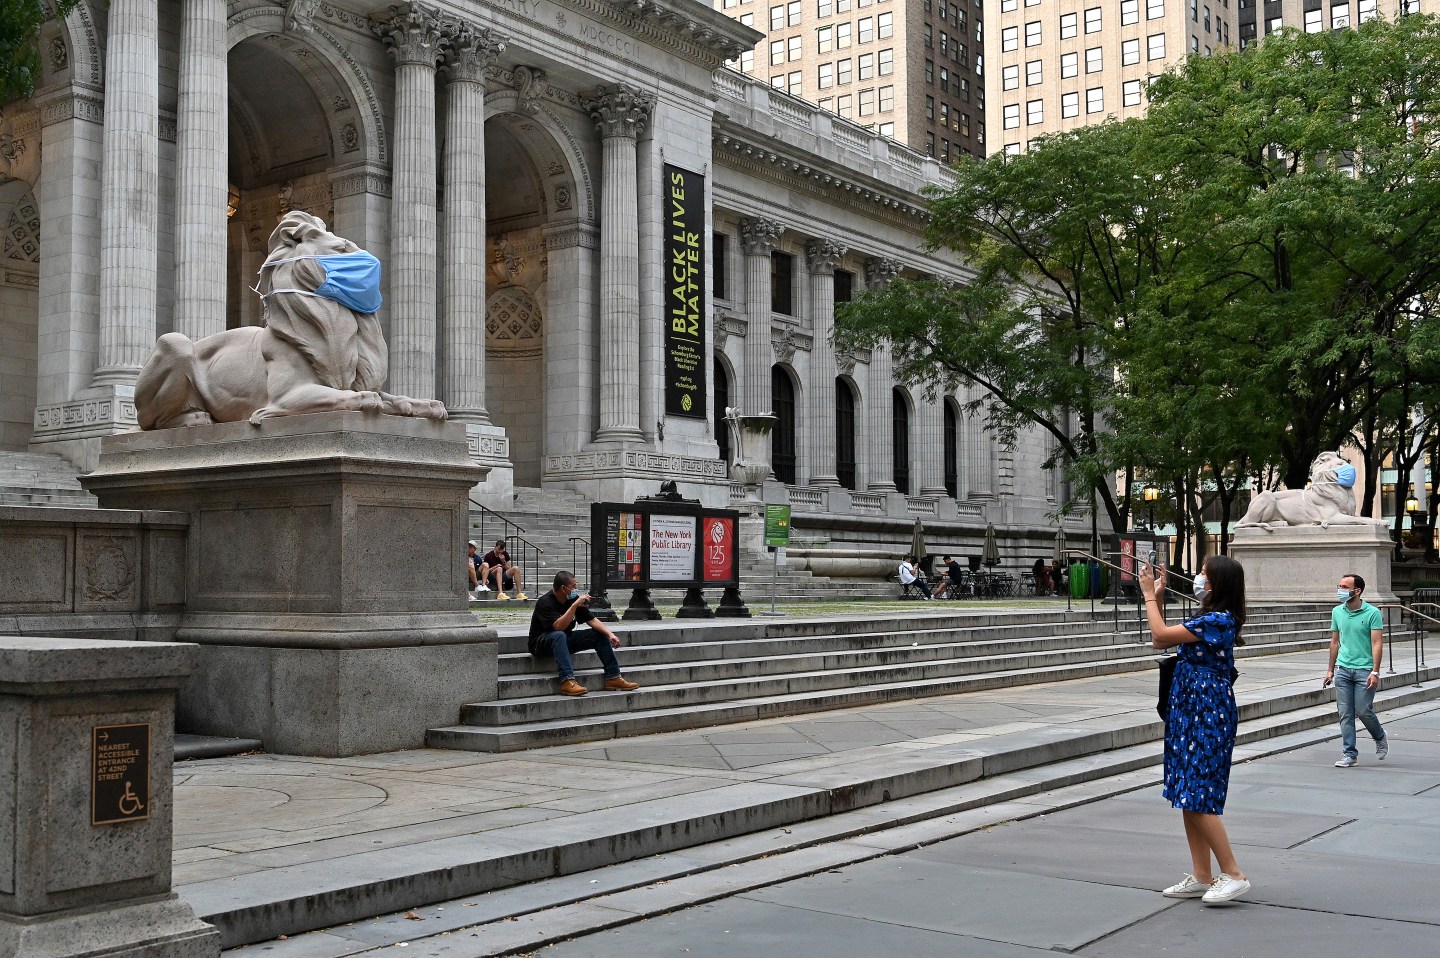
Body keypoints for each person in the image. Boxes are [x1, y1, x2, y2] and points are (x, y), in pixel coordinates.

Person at [1140, 554, 1251, 906]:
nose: (1198, 577)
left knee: (1199, 791)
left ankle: (1233, 874)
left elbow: (1160, 637)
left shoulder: (1219, 619)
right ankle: (1202, 875)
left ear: (1218, 582)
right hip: (1189, 708)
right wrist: (1158, 595)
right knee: (1188, 792)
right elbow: (1169, 637)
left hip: (1207, 712)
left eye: (1204, 573)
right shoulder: (1209, 616)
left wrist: (1149, 595)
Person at [528, 570, 640, 697]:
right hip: (541, 643)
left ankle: (613, 677)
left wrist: (610, 634)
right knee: (559, 635)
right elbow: (558, 627)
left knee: (598, 634)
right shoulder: (545, 602)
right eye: (573, 586)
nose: (576, 589)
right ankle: (567, 681)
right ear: (563, 588)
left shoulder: (573, 599)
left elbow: (591, 620)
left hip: (563, 640)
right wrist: (574, 606)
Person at [1325, 572, 1387, 768]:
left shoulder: (1372, 613)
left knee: (1363, 710)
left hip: (1364, 670)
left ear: (1357, 591)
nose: (1339, 590)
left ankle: (1379, 736)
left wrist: (1375, 671)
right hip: (1343, 669)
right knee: (1345, 713)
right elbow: (1334, 642)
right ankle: (1349, 754)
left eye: (1344, 587)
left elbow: (1377, 643)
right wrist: (1330, 670)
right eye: (1339, 586)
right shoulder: (1337, 612)